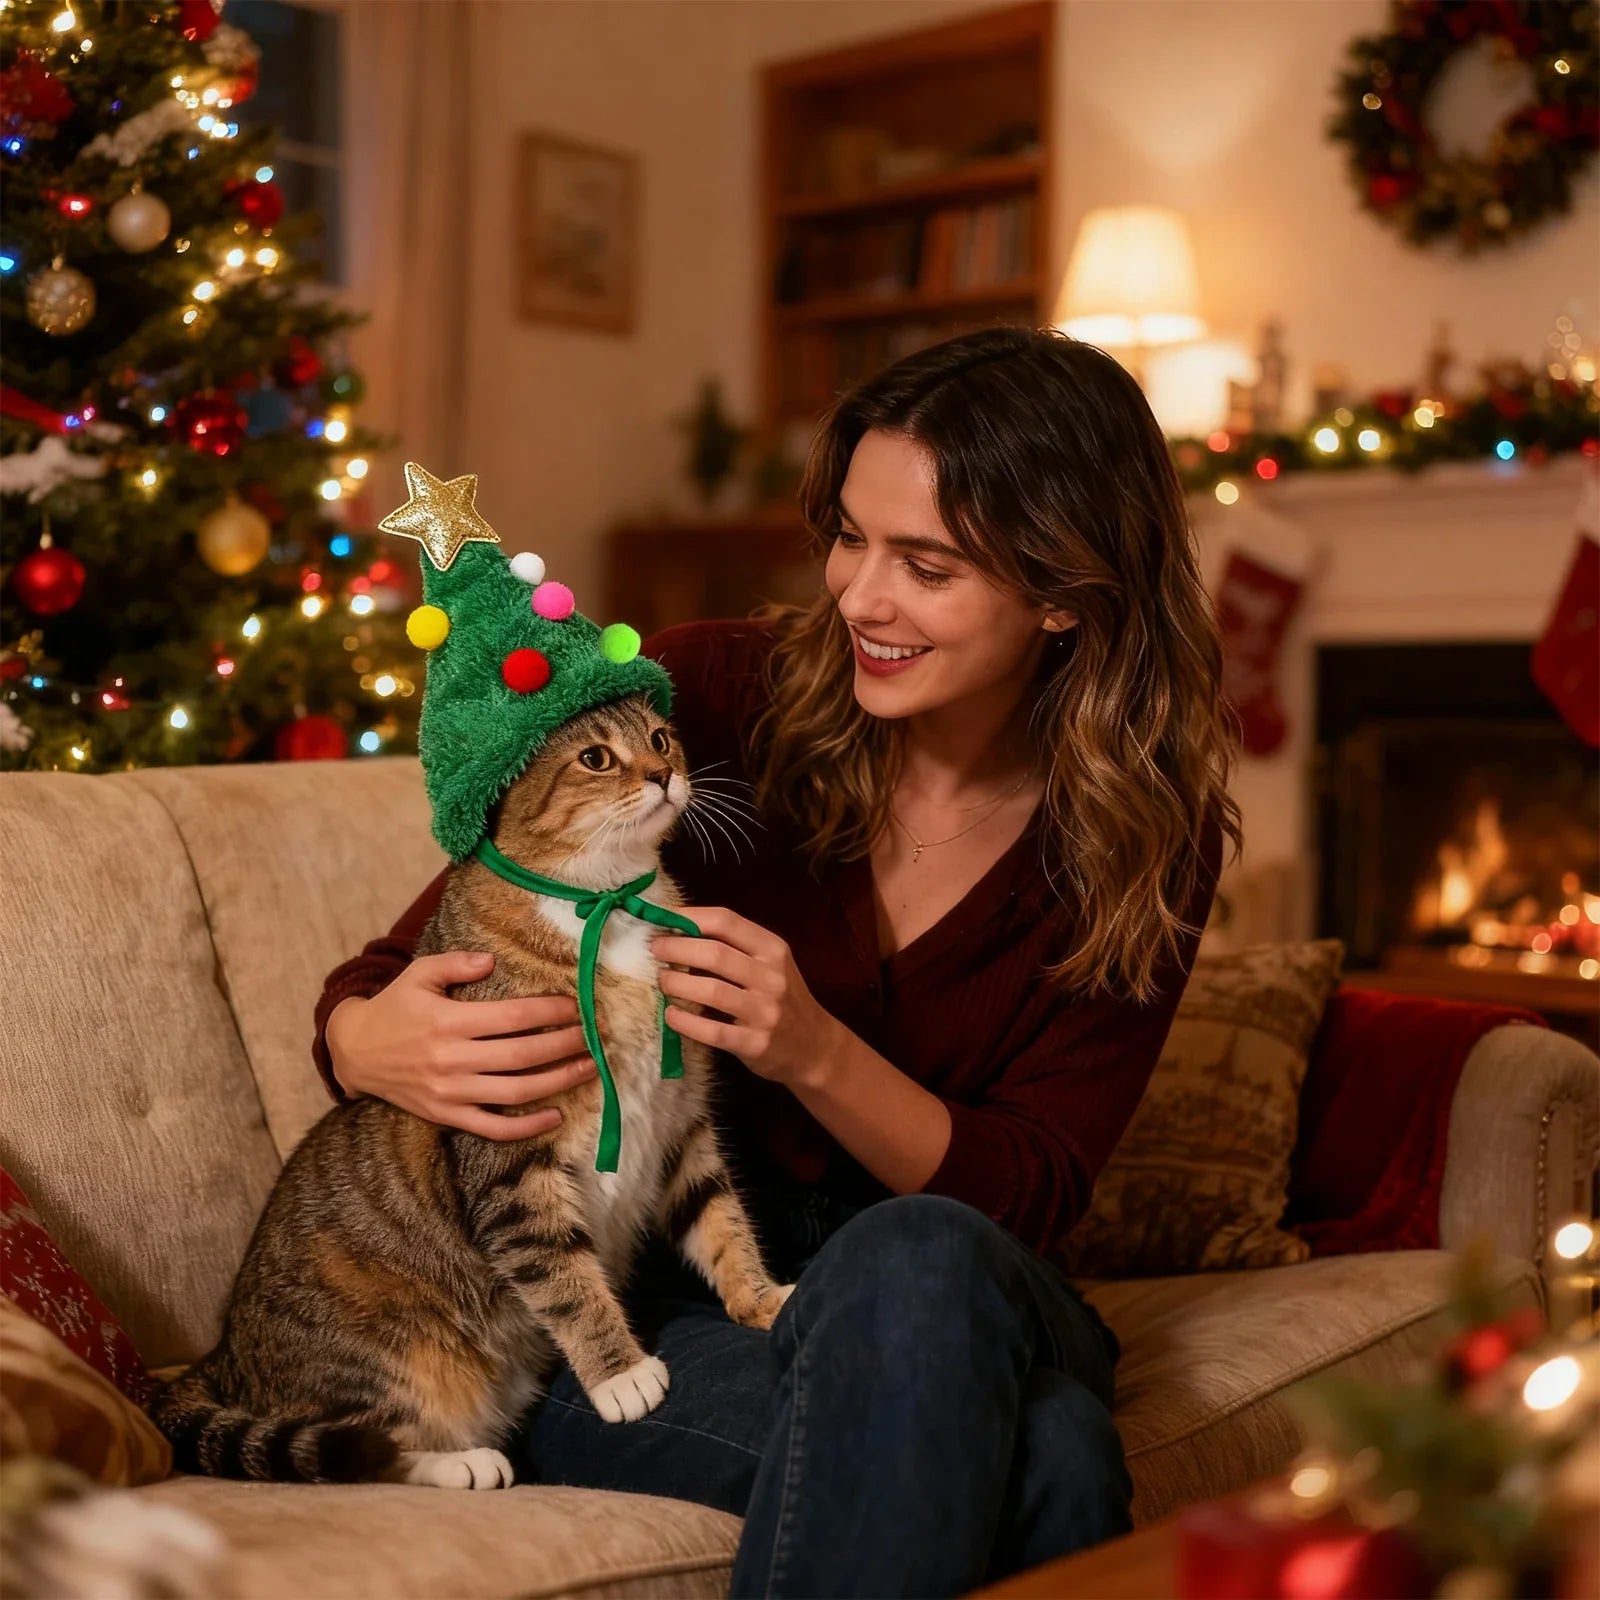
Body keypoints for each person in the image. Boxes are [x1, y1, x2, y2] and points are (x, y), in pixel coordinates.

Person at [312, 326, 1241, 1598]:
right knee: (1055, 1461)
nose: (859, 596)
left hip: (966, 1278)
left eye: (926, 565)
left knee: (913, 1251)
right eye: (849, 537)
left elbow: (1023, 1195)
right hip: (665, 1291)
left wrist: (812, 1050)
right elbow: (394, 969)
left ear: (1064, 591)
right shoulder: (701, 694)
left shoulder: (1142, 838)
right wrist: (365, 1039)